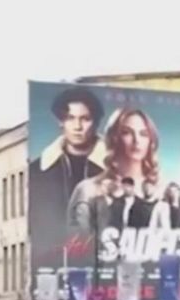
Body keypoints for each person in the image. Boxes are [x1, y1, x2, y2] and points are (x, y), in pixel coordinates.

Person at [29, 87, 106, 252]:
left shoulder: (117, 169)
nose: (77, 126)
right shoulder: (38, 170)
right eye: (70, 118)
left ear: (96, 122)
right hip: (53, 260)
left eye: (85, 119)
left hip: (106, 262)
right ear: (60, 121)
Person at [67, 108, 160, 231]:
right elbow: (76, 240)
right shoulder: (88, 190)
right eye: (127, 132)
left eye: (143, 134)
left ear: (151, 141)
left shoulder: (162, 191)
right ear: (114, 138)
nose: (136, 140)